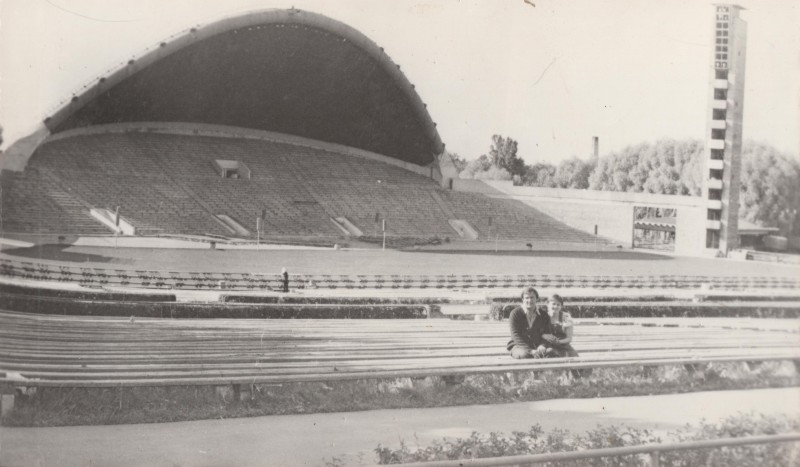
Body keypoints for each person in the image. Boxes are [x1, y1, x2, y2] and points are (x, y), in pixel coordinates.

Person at [507, 286, 551, 359]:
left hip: (538, 346)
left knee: (551, 352)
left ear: (536, 299)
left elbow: (547, 333)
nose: (529, 300)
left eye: (532, 297)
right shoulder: (515, 314)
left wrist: (542, 345)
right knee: (525, 355)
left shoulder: (544, 315)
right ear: (523, 299)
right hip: (519, 346)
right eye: (527, 298)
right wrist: (530, 351)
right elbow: (515, 335)